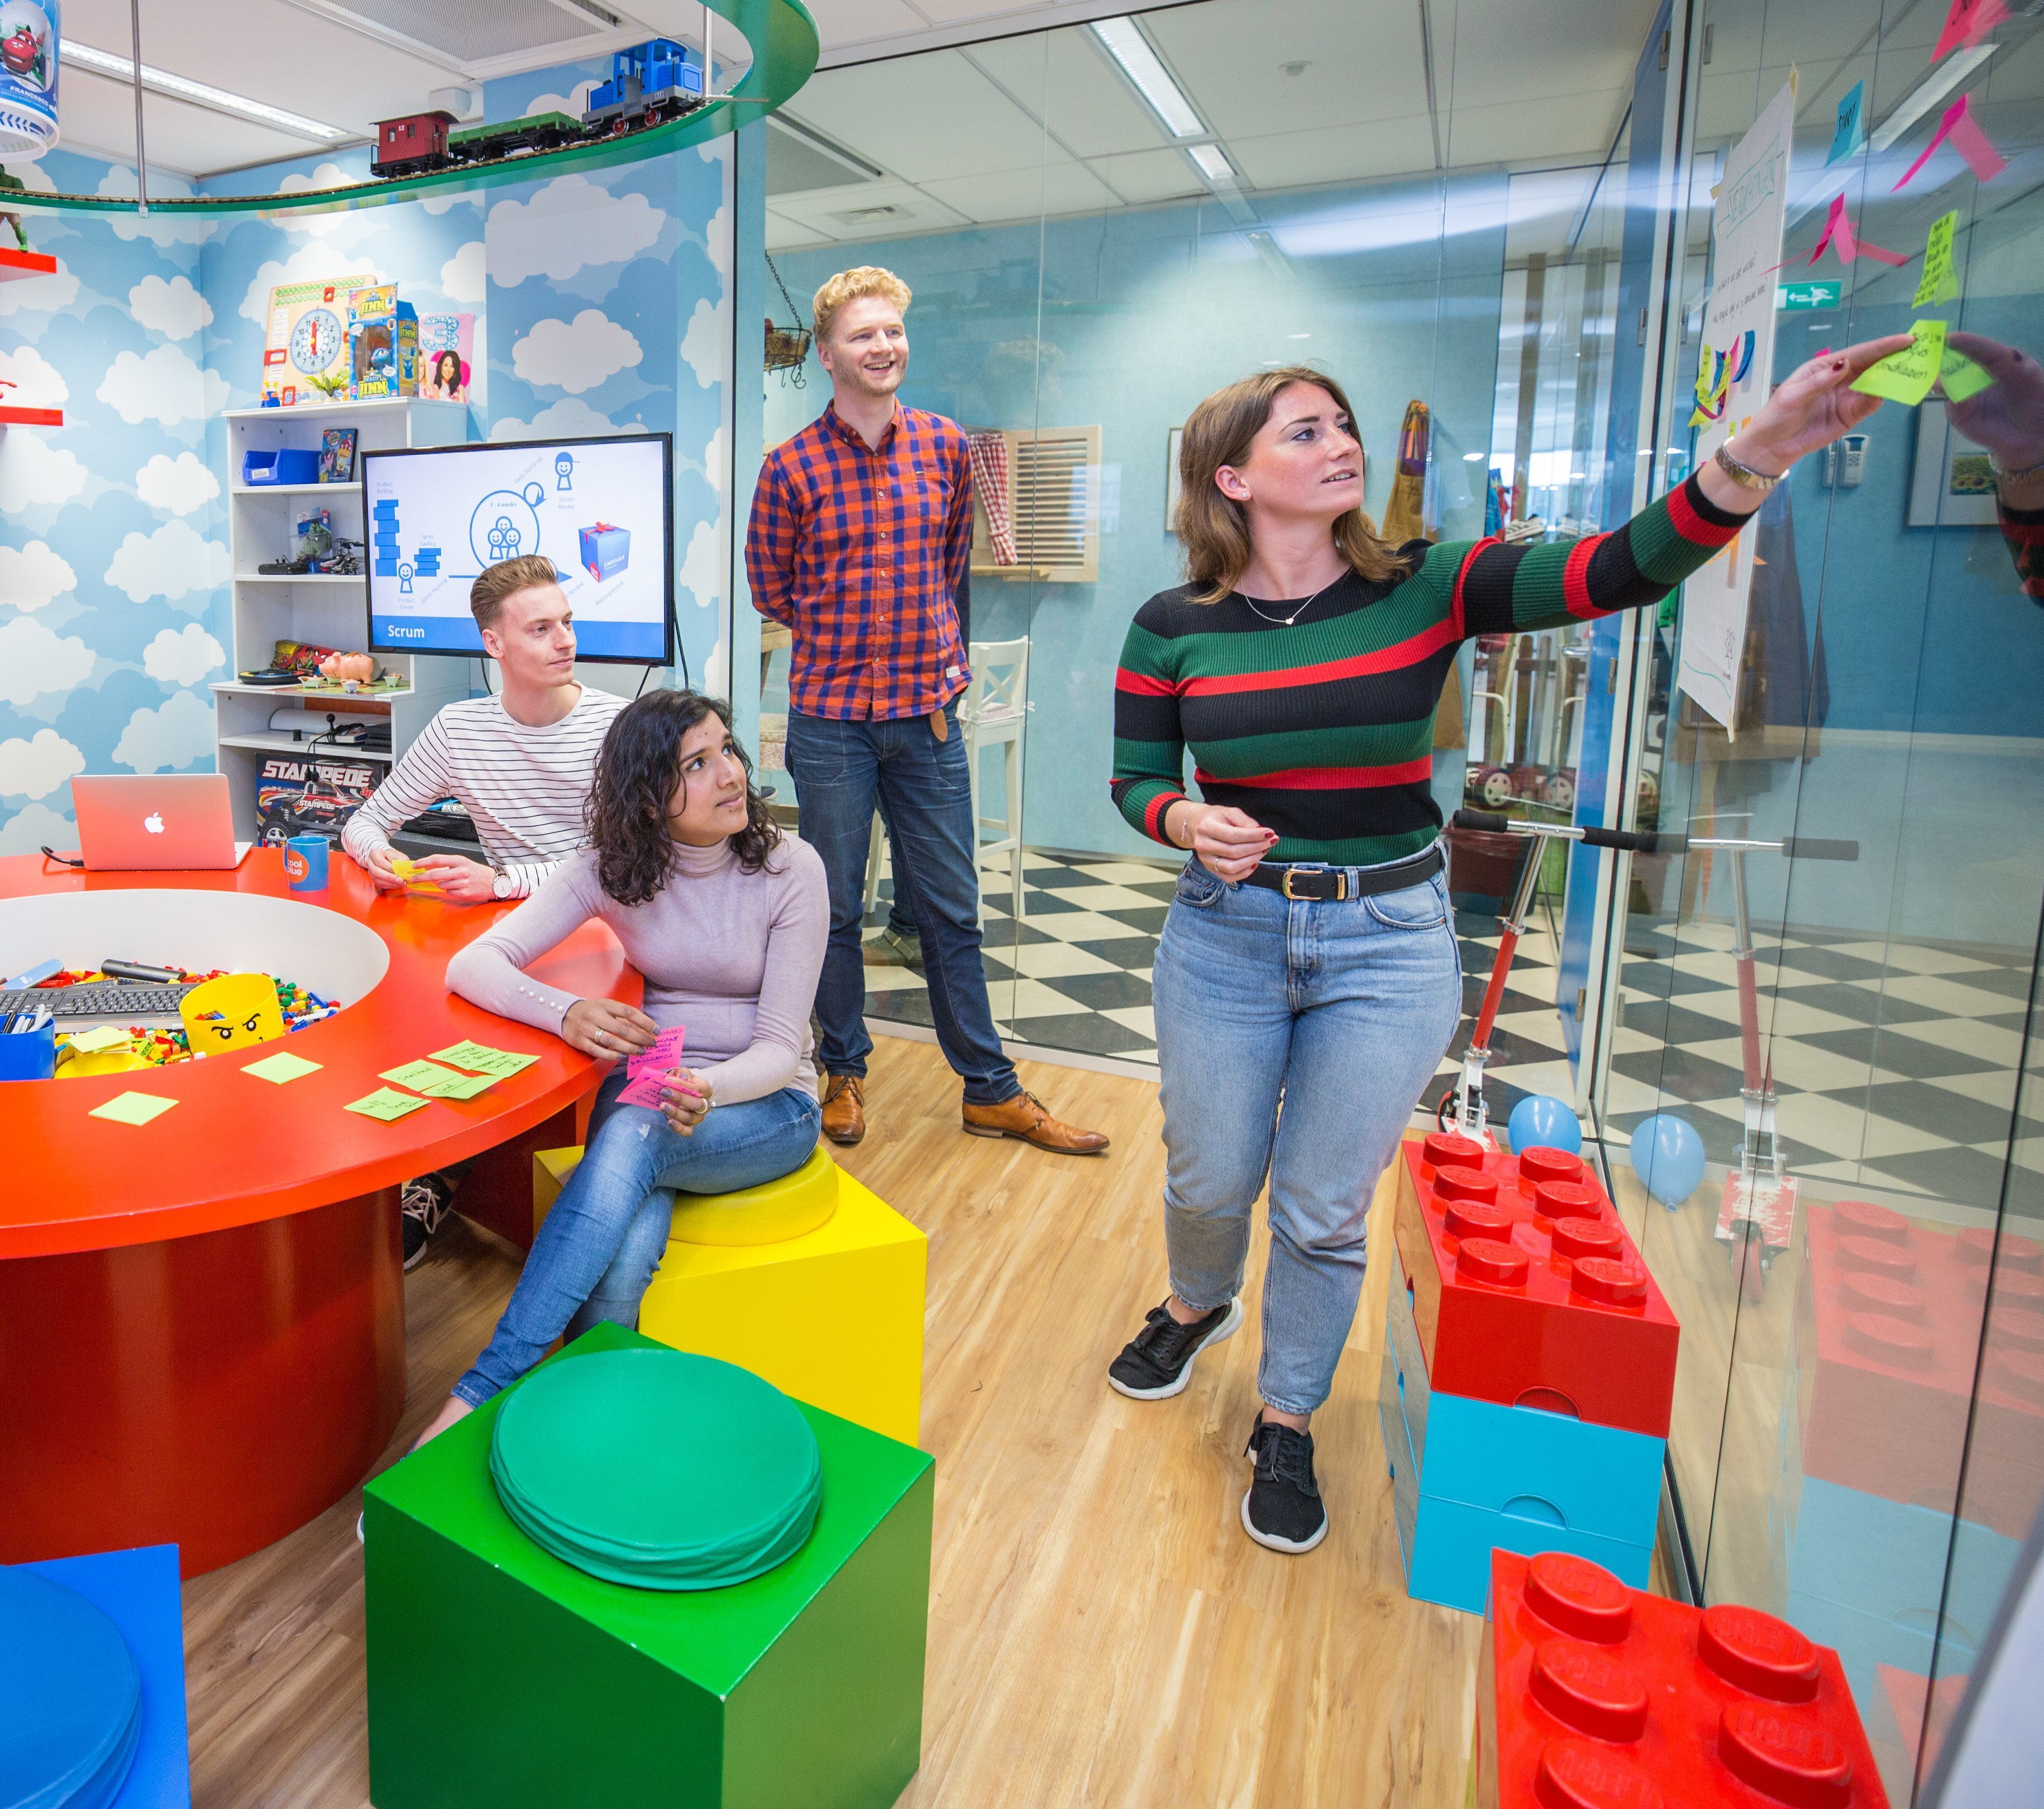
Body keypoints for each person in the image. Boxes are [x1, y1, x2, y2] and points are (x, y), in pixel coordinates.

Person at [1103, 344, 1907, 1556]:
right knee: (1208, 1176)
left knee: (1323, 1207)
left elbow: (1622, 567)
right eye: (1305, 432)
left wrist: (1761, 451)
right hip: (1228, 934)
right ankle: (1197, 1299)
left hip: (1387, 941)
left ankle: (1287, 1415)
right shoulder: (1173, 626)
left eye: (1343, 423)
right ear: (1232, 478)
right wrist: (1181, 819)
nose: (1342, 445)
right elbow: (1134, 778)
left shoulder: (1431, 582)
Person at [747, 265, 1106, 1160]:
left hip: (929, 722)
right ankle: (844, 1071)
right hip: (833, 723)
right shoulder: (790, 466)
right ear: (827, 354)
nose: (884, 347)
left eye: (894, 332)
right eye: (863, 335)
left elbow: (953, 571)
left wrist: (933, 661)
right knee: (832, 909)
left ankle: (991, 1089)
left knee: (951, 909)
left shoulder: (947, 447)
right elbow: (771, 588)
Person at [424, 690, 828, 1444]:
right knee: (618, 1257)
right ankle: (594, 1430)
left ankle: (483, 1390)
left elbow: (780, 1050)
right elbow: (472, 964)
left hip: (766, 1104)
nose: (730, 774)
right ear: (646, 799)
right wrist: (567, 1013)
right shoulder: (609, 868)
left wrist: (708, 1088)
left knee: (633, 1139)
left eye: (727, 750)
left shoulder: (790, 868)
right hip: (652, 1096)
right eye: (697, 765)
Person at [340, 556, 631, 1265]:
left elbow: (622, 864)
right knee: (425, 1010)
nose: (565, 640)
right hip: (511, 934)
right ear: (494, 644)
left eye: (567, 623)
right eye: (541, 628)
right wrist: (380, 855)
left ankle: (442, 1179)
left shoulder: (618, 726)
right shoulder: (458, 729)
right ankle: (424, 1169)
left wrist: (500, 880)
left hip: (611, 932)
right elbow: (365, 821)